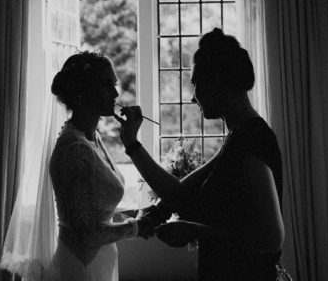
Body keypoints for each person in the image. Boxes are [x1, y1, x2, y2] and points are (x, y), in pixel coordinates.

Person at [115, 28, 292, 280]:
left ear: (218, 82)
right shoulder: (237, 138)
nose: (193, 97)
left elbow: (271, 239)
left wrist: (193, 230)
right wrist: (132, 145)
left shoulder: (251, 139)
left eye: (196, 83)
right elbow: (179, 194)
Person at [47, 51, 151, 281]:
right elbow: (86, 235)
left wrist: (135, 215)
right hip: (81, 266)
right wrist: (136, 227)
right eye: (106, 85)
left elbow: (95, 212)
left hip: (100, 260)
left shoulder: (92, 139)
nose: (115, 93)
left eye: (114, 84)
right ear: (83, 92)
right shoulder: (76, 150)